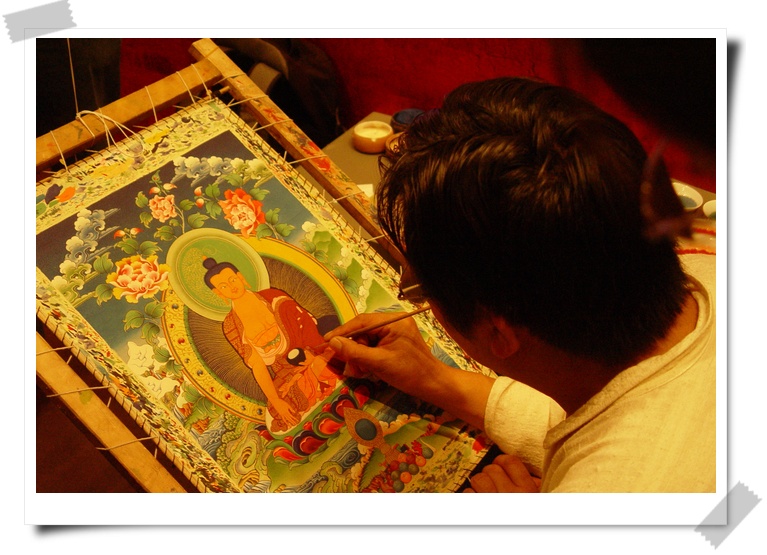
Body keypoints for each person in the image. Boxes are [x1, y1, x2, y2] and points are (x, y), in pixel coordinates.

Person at [324, 77, 715, 493]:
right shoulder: (706, 257)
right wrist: (435, 378)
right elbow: (608, 409)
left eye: (420, 286)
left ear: (498, 331)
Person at [203, 257, 340, 432]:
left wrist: (311, 354)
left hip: (309, 352)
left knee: (325, 361)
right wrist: (276, 400)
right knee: (280, 409)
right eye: (223, 286)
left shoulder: (273, 297)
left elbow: (304, 322)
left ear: (240, 277)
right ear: (218, 293)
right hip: (284, 372)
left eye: (232, 280)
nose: (231, 287)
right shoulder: (231, 325)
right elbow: (257, 365)